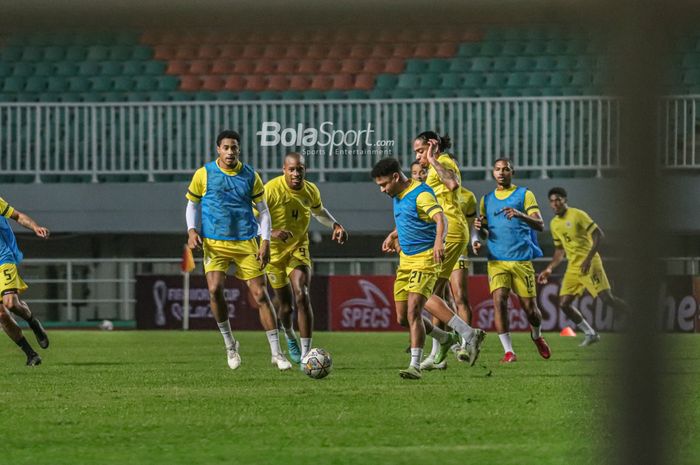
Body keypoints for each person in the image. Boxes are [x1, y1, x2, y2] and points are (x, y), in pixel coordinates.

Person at [186, 129, 291, 371]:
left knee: (261, 295)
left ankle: (277, 353)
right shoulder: (204, 174)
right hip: (215, 242)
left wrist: (265, 241)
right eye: (226, 147)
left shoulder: (250, 175)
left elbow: (263, 211)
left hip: (245, 242)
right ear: (218, 150)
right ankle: (230, 345)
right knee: (214, 290)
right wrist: (192, 230)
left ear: (239, 149)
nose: (230, 152)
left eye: (234, 147)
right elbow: (192, 204)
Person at [373, 158, 485, 380]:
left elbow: (440, 218)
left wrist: (438, 243)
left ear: (396, 177)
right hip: (406, 261)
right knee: (403, 317)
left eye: (384, 184)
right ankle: (450, 337)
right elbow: (408, 218)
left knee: (416, 309)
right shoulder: (397, 194)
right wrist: (393, 235)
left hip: (425, 259)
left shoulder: (422, 194)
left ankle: (414, 365)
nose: (382, 190)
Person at [265, 152, 347, 363]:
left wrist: (335, 224)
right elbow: (252, 217)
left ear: (305, 170)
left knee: (302, 295)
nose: (295, 173)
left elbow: (319, 212)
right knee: (285, 306)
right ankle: (289, 335)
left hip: (298, 248)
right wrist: (272, 232)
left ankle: (305, 355)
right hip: (273, 252)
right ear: (284, 170)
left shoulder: (310, 190)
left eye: (299, 169)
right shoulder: (271, 189)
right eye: (291, 169)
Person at [472, 158, 551, 363]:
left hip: (521, 259)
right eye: (497, 169)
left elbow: (540, 224)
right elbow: (485, 232)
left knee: (530, 310)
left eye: (505, 169)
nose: (501, 172)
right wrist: (480, 231)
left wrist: (520, 214)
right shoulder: (486, 199)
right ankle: (509, 352)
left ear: (512, 172)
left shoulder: (524, 194)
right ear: (493, 173)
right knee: (499, 302)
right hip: (496, 260)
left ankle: (536, 335)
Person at [413, 132, 476, 369]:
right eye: (417, 153)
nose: (418, 156)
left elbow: (452, 183)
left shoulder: (445, 162)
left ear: (432, 146)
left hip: (449, 232)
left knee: (426, 291)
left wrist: (432, 158)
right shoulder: (431, 172)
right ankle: (438, 354)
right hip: (446, 231)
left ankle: (468, 336)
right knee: (436, 293)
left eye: (420, 151)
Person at [537, 187, 629, 346]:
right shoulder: (554, 224)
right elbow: (560, 250)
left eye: (558, 199)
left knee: (607, 299)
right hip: (573, 267)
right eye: (552, 201)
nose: (555, 203)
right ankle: (590, 333)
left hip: (590, 262)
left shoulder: (577, 215)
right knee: (564, 304)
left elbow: (598, 234)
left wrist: (588, 259)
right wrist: (549, 269)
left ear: (565, 200)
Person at [0, 196, 50, 366]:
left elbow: (18, 216)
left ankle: (32, 321)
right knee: (2, 316)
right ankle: (31, 355)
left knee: (11, 304)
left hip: (3, 259)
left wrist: (35, 227)